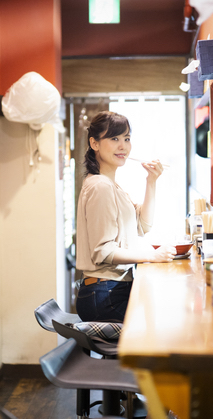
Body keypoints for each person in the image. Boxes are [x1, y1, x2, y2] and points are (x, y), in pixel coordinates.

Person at [75, 111, 176, 322]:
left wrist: (151, 181)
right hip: (104, 294)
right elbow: (103, 250)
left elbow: (144, 225)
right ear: (94, 143)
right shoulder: (100, 186)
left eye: (127, 139)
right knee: (162, 322)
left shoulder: (110, 184)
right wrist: (152, 256)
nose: (123, 146)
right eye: (114, 138)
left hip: (109, 290)